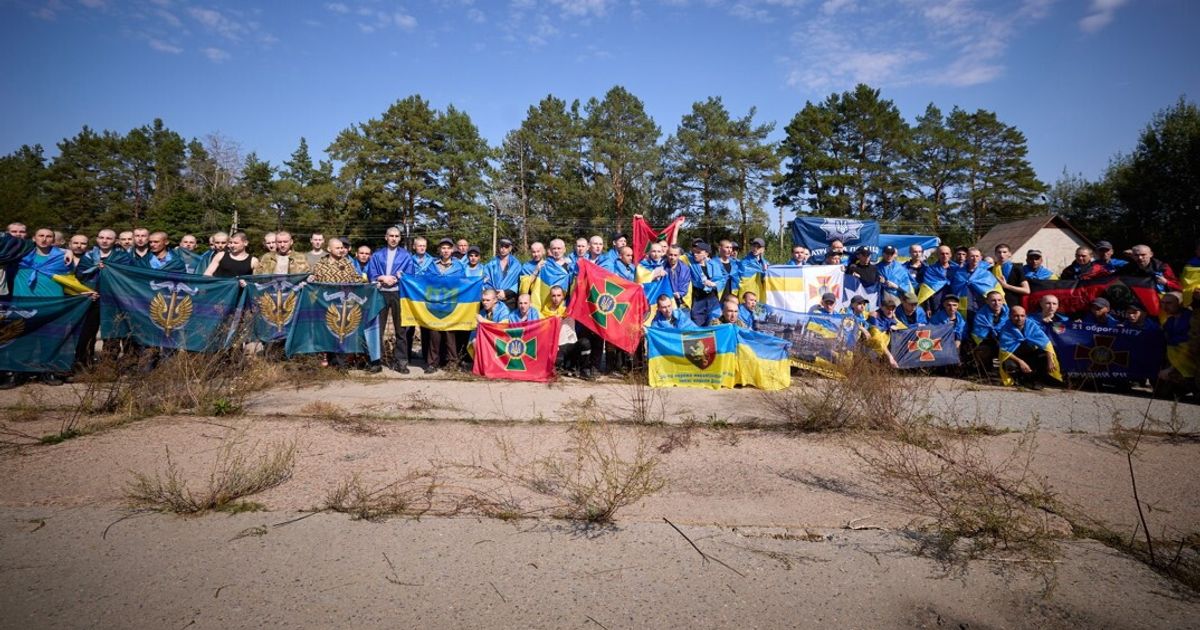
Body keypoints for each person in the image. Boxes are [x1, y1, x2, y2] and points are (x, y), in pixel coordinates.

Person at [366, 226, 414, 374]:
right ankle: (376, 361)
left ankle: (401, 362)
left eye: (397, 236)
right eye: (391, 236)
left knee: (401, 330)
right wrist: (382, 277)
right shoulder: (377, 255)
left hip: (398, 293)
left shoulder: (406, 256)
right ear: (385, 237)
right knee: (377, 328)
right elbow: (371, 272)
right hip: (381, 293)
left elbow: (410, 273)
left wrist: (397, 277)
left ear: (400, 238)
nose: (394, 239)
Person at [997, 306, 1056, 390]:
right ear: (1010, 316)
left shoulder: (1032, 325)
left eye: (1022, 315)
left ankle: (1038, 379)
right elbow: (1004, 351)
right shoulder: (1006, 329)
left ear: (1026, 316)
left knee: (1045, 355)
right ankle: (1021, 380)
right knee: (1009, 365)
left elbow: (1046, 343)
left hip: (1031, 354)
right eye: (1016, 316)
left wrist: (1050, 360)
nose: (1019, 318)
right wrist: (1020, 362)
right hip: (1016, 357)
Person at [688, 242, 724, 326]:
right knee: (698, 322)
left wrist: (714, 284)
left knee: (714, 322)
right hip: (698, 298)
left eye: (699, 252)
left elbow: (721, 280)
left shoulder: (714, 264)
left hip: (712, 298)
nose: (695, 254)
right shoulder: (691, 263)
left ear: (706, 254)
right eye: (694, 252)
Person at [970, 291, 1009, 369]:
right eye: (993, 300)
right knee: (984, 350)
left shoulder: (1009, 314)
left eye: (999, 300)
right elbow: (979, 334)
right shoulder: (980, 316)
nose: (997, 303)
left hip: (1006, 341)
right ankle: (986, 370)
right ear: (987, 301)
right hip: (987, 341)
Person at [484, 237, 522, 308]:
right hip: (493, 299)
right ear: (499, 247)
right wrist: (495, 293)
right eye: (501, 246)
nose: (503, 249)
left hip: (510, 300)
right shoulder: (491, 264)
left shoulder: (516, 264)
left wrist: (506, 293)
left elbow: (519, 282)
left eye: (506, 246)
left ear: (510, 248)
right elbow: (486, 281)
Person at [993, 243, 1030, 308]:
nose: (1002, 255)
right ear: (995, 254)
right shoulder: (991, 270)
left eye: (1004, 252)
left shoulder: (1017, 269)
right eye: (999, 252)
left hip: (1013, 305)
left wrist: (1006, 286)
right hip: (995, 305)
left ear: (1010, 254)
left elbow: (1026, 290)